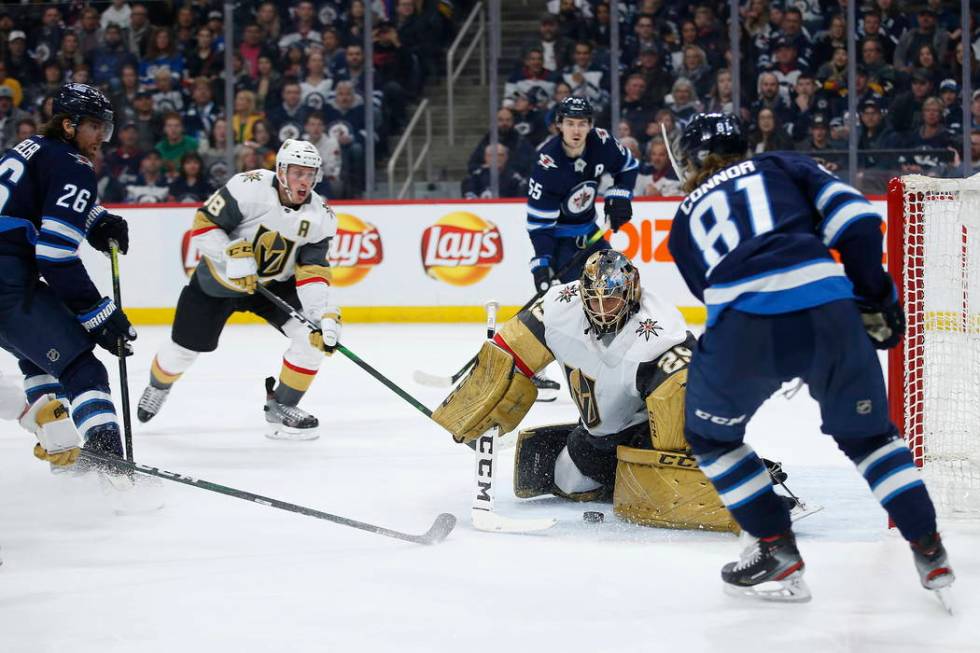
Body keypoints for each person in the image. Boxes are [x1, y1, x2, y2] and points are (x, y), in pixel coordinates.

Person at [666, 112, 954, 602]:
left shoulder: (682, 223)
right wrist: (875, 297)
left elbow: (719, 295)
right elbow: (859, 221)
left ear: (691, 160)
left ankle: (775, 547)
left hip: (745, 327)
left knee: (710, 437)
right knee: (871, 439)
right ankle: (929, 548)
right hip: (828, 310)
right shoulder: (782, 164)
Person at [430, 249, 800, 531]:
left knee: (675, 413)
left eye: (611, 299)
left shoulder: (660, 327)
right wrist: (479, 402)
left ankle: (741, 483)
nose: (602, 308)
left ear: (631, 291)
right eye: (594, 299)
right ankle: (617, 477)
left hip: (644, 438)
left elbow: (692, 390)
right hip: (593, 439)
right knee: (565, 481)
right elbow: (511, 351)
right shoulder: (561, 307)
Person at [136, 139, 340, 441]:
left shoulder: (321, 216)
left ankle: (281, 406)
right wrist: (230, 252)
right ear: (281, 171)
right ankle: (158, 386)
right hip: (218, 284)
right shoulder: (249, 187)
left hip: (271, 286)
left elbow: (312, 272)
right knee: (181, 353)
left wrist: (320, 315)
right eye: (297, 172)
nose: (304, 181)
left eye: (310, 174)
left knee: (310, 340)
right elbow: (204, 223)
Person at [0, 83, 133, 462]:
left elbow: (36, 201)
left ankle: (65, 458)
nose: (101, 139)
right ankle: (112, 472)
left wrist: (97, 220)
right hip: (7, 282)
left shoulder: (29, 148)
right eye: (95, 127)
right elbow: (55, 254)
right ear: (70, 125)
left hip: (9, 277)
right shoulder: (73, 164)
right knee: (82, 367)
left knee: (39, 359)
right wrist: (97, 314)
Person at [524, 96, 639, 399]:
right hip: (561, 243)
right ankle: (534, 368)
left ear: (590, 125)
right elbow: (539, 224)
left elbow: (629, 165)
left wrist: (619, 195)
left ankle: (626, 365)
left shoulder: (601, 142)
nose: (576, 130)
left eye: (582, 123)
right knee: (569, 308)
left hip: (590, 235)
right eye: (570, 123)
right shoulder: (547, 164)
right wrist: (543, 262)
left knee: (618, 289)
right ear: (559, 125)